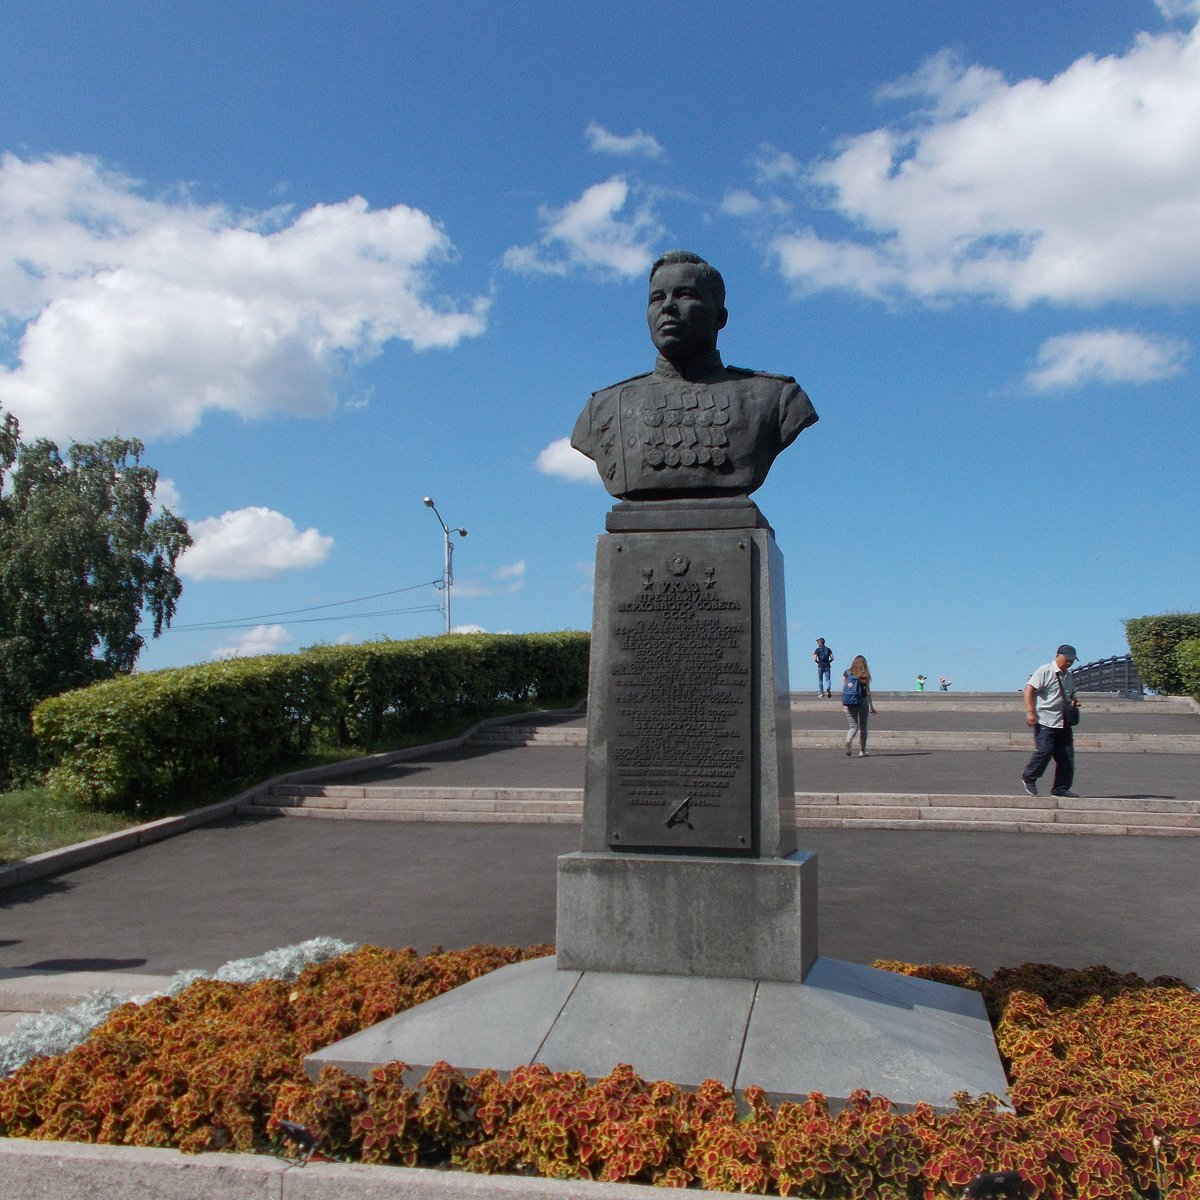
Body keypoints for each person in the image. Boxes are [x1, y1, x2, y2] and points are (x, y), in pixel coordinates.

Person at [571, 250, 818, 499]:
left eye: (685, 294)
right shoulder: (604, 406)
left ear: (720, 317)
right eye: (656, 298)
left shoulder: (775, 397)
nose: (667, 306)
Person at [1021, 644, 1082, 797]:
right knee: (1044, 750)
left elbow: (1071, 694)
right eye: (1067, 659)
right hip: (1045, 720)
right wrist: (1030, 712)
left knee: (1067, 757)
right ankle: (1029, 777)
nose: (1069, 663)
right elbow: (1029, 689)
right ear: (1057, 656)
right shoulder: (1045, 671)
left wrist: (1074, 702)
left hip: (1063, 721)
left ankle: (1060, 788)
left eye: (1072, 660)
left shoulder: (1069, 675)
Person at [841, 654, 877, 757]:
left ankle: (848, 740)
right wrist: (871, 706)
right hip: (862, 702)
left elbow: (844, 689)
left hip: (848, 702)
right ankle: (862, 751)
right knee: (863, 727)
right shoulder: (864, 674)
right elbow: (868, 692)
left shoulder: (846, 673)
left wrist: (844, 704)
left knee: (853, 727)